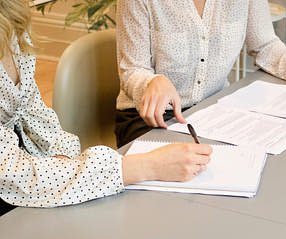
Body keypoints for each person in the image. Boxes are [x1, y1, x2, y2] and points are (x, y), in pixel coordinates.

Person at [0, 0, 212, 215]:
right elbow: (11, 174)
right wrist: (148, 166)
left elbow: (34, 112)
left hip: (34, 175)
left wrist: (62, 158)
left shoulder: (12, 20)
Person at [115, 0, 286, 147]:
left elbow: (265, 45)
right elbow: (132, 70)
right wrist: (152, 82)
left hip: (213, 112)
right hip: (149, 119)